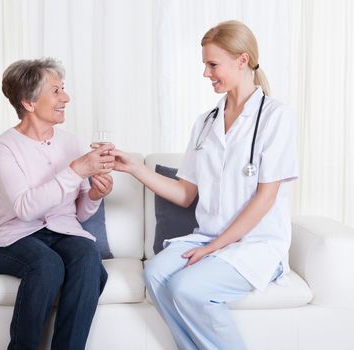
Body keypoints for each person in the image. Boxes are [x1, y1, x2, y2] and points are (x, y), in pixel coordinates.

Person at [112, 20, 298, 350]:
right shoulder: (206, 122)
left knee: (187, 288)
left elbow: (266, 197)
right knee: (154, 274)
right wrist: (135, 168)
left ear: (242, 60)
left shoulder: (275, 117)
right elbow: (185, 193)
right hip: (208, 235)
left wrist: (215, 248)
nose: (206, 74)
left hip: (256, 244)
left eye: (213, 65)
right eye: (205, 65)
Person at [0, 58, 115, 350]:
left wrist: (94, 196)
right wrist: (76, 171)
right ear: (29, 103)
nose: (66, 98)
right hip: (16, 238)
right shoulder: (3, 147)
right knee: (47, 265)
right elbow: (26, 208)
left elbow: (78, 212)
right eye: (56, 91)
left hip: (62, 232)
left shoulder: (70, 142)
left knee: (86, 256)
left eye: (63, 89)